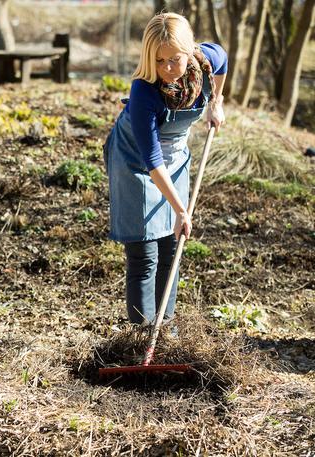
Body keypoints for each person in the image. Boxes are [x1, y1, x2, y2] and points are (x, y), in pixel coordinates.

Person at [103, 13, 227, 327]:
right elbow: (152, 160)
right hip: (135, 162)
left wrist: (217, 103)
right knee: (145, 255)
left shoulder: (205, 62)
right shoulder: (145, 91)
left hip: (174, 158)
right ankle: (141, 335)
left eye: (175, 59)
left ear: (190, 52)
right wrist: (181, 210)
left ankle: (164, 330)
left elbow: (223, 59)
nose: (168, 69)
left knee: (172, 249)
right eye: (159, 61)